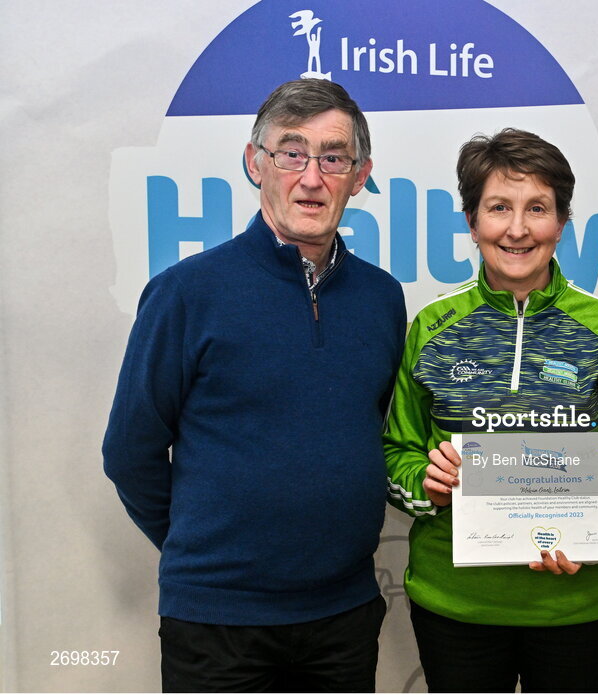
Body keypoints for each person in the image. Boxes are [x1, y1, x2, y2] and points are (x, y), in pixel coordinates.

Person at [102, 79, 406, 692]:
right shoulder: (186, 293)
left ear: (360, 175)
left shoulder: (382, 298)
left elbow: (368, 432)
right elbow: (130, 452)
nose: (312, 177)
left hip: (344, 615)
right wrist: (202, 549)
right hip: (218, 622)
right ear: (255, 163)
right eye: (291, 153)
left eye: (333, 158)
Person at [383, 128, 598, 693]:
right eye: (499, 208)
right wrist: (428, 483)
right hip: (457, 606)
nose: (517, 229)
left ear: (561, 223)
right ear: (472, 223)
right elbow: (397, 455)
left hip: (578, 607)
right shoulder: (432, 328)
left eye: (537, 208)